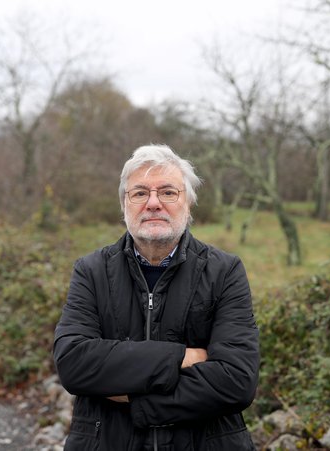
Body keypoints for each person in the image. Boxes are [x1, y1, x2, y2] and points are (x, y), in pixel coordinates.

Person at [53, 144, 259, 450]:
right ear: (124, 204)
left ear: (188, 203)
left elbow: (236, 381)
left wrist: (136, 401)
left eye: (167, 192)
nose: (153, 203)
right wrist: (182, 357)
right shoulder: (91, 271)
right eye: (139, 193)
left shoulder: (224, 271)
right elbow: (74, 364)